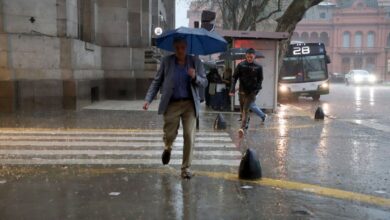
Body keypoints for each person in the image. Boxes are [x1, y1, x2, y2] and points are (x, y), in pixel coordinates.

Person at [143, 37, 208, 179]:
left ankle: (185, 168)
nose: (180, 50)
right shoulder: (167, 62)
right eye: (177, 47)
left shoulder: (195, 62)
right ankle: (168, 147)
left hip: (189, 104)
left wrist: (195, 76)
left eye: (182, 47)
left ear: (186, 47)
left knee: (189, 136)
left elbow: (204, 82)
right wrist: (148, 99)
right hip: (172, 103)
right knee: (169, 134)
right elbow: (157, 81)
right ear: (174, 48)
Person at [229, 48, 264, 137]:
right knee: (242, 110)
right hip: (242, 91)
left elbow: (260, 79)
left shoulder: (258, 67)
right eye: (248, 57)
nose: (249, 59)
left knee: (245, 109)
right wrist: (232, 89)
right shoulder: (240, 65)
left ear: (254, 56)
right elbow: (234, 77)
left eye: (251, 57)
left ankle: (242, 128)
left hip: (252, 92)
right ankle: (246, 122)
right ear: (246, 56)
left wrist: (257, 89)